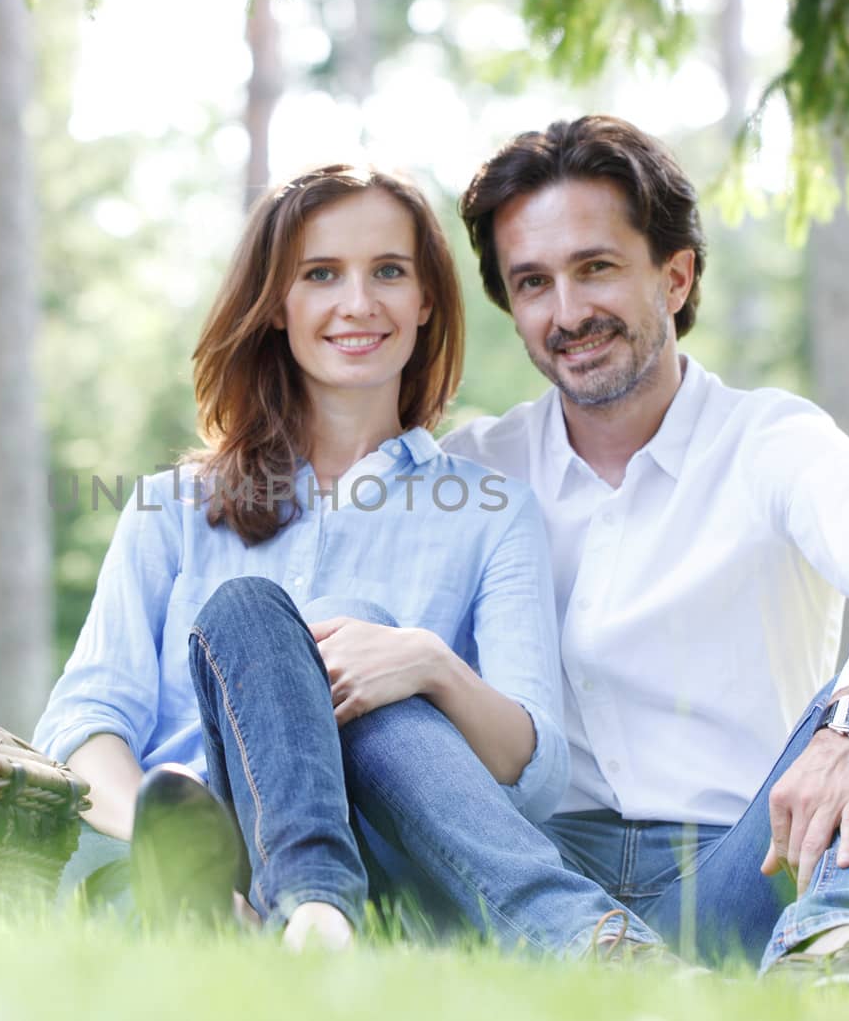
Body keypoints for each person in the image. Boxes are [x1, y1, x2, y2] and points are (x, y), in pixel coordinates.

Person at [429, 115, 849, 983]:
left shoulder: (771, 441)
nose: (568, 312)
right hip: (542, 893)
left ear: (676, 274)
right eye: (533, 283)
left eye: (596, 268)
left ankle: (835, 955)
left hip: (751, 865)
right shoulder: (477, 471)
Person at [32, 163, 570, 949]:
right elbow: (84, 721)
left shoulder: (492, 515)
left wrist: (431, 665)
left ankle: (307, 912)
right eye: (321, 275)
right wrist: (166, 837)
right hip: (165, 859)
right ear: (278, 304)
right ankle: (228, 913)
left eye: (388, 271)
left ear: (426, 301)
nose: (359, 303)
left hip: (375, 865)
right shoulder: (166, 509)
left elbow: (539, 776)